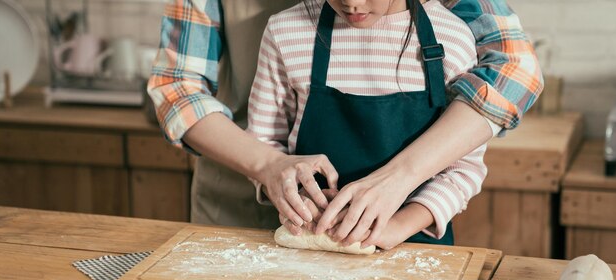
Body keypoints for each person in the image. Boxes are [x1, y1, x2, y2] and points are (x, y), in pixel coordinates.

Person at [148, 0, 543, 248]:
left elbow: (516, 71)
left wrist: (402, 193)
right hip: (244, 209)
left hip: (406, 239)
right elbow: (175, 90)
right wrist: (269, 167)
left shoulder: (449, 38)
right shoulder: (286, 31)